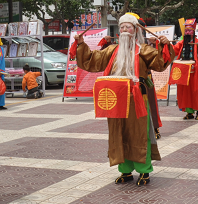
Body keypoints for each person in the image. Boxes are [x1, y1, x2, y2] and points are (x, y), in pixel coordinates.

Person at [74, 13, 174, 187]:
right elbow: (91, 61)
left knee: (139, 134)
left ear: (135, 30)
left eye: (128, 27)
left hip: (137, 99)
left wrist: (165, 46)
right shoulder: (112, 50)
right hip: (116, 99)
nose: (125, 30)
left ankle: (144, 171)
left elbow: (160, 62)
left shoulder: (143, 50)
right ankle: (125, 170)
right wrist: (81, 44)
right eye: (122, 27)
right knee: (118, 133)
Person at [172, 18, 198, 121]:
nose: (188, 32)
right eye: (186, 30)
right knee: (185, 91)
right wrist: (165, 45)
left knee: (197, 91)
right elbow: (173, 51)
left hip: (195, 69)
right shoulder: (181, 43)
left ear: (194, 31)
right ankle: (189, 112)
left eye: (190, 30)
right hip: (183, 69)